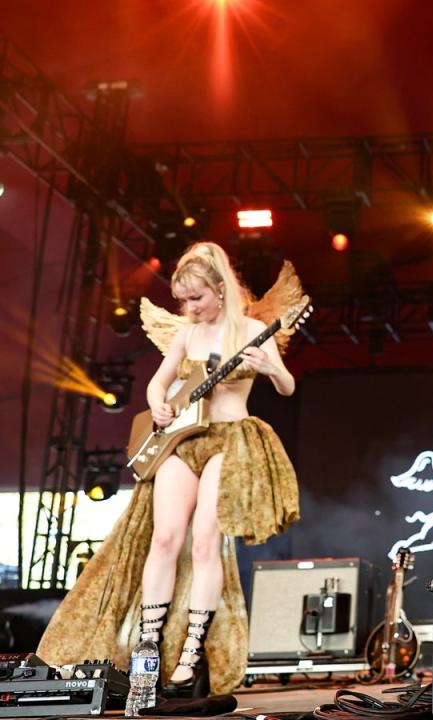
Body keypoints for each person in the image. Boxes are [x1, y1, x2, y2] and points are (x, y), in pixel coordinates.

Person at [38, 242, 301, 697]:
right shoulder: (185, 333)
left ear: (220, 289)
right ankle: (149, 646)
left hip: (230, 438)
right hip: (182, 441)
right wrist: (158, 405)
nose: (190, 307)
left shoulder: (254, 330)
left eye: (197, 298)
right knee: (164, 537)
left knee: (205, 543)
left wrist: (269, 368)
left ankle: (191, 654)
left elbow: (287, 386)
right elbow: (158, 385)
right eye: (184, 300)